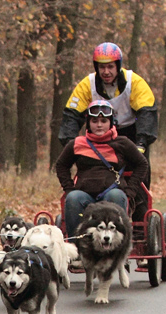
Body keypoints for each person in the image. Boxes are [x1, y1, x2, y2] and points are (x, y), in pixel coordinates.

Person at [55, 99, 149, 239]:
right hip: (84, 195)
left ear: (110, 123)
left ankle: (117, 246)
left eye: (103, 121)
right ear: (89, 123)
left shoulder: (122, 143)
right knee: (73, 198)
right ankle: (78, 246)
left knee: (115, 196)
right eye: (94, 121)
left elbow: (142, 164)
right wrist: (69, 188)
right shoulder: (77, 143)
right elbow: (61, 165)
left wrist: (130, 191)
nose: (99, 125)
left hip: (113, 193)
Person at [59, 42, 158, 156]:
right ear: (96, 67)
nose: (106, 72)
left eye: (110, 66)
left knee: (141, 167)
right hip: (99, 136)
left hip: (131, 134)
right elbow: (71, 116)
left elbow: (147, 113)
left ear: (118, 66)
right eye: (102, 67)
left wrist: (142, 142)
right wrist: (71, 144)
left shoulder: (135, 82)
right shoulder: (87, 85)